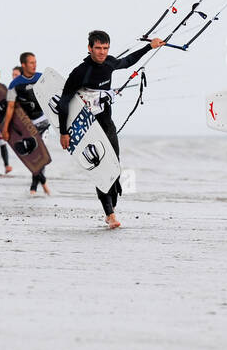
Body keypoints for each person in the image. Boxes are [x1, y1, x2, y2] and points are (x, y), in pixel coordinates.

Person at [59, 30, 165, 228]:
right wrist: (64, 132)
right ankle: (110, 213)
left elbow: (128, 61)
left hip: (106, 123)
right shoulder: (80, 72)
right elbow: (64, 103)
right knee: (101, 166)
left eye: (105, 48)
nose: (102, 52)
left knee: (114, 165)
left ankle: (110, 209)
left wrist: (149, 46)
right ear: (89, 48)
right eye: (98, 48)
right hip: (88, 126)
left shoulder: (109, 63)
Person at [0, 52, 51, 195]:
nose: (34, 65)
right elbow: (10, 108)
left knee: (41, 155)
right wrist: (5, 129)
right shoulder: (14, 84)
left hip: (42, 122)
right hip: (26, 125)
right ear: (23, 65)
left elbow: (55, 95)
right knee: (31, 156)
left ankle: (34, 188)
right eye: (31, 63)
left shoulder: (41, 78)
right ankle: (43, 184)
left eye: (35, 62)